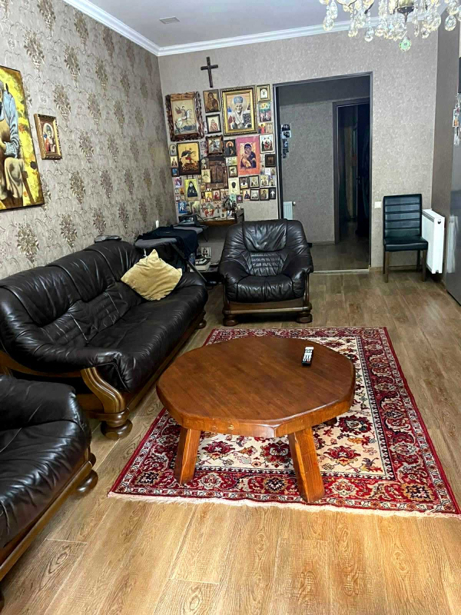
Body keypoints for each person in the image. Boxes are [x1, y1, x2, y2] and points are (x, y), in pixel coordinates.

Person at [0, 80, 24, 208]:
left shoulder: (8, 103)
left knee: (9, 164)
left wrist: (3, 146)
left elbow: (15, 145)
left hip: (11, 159)